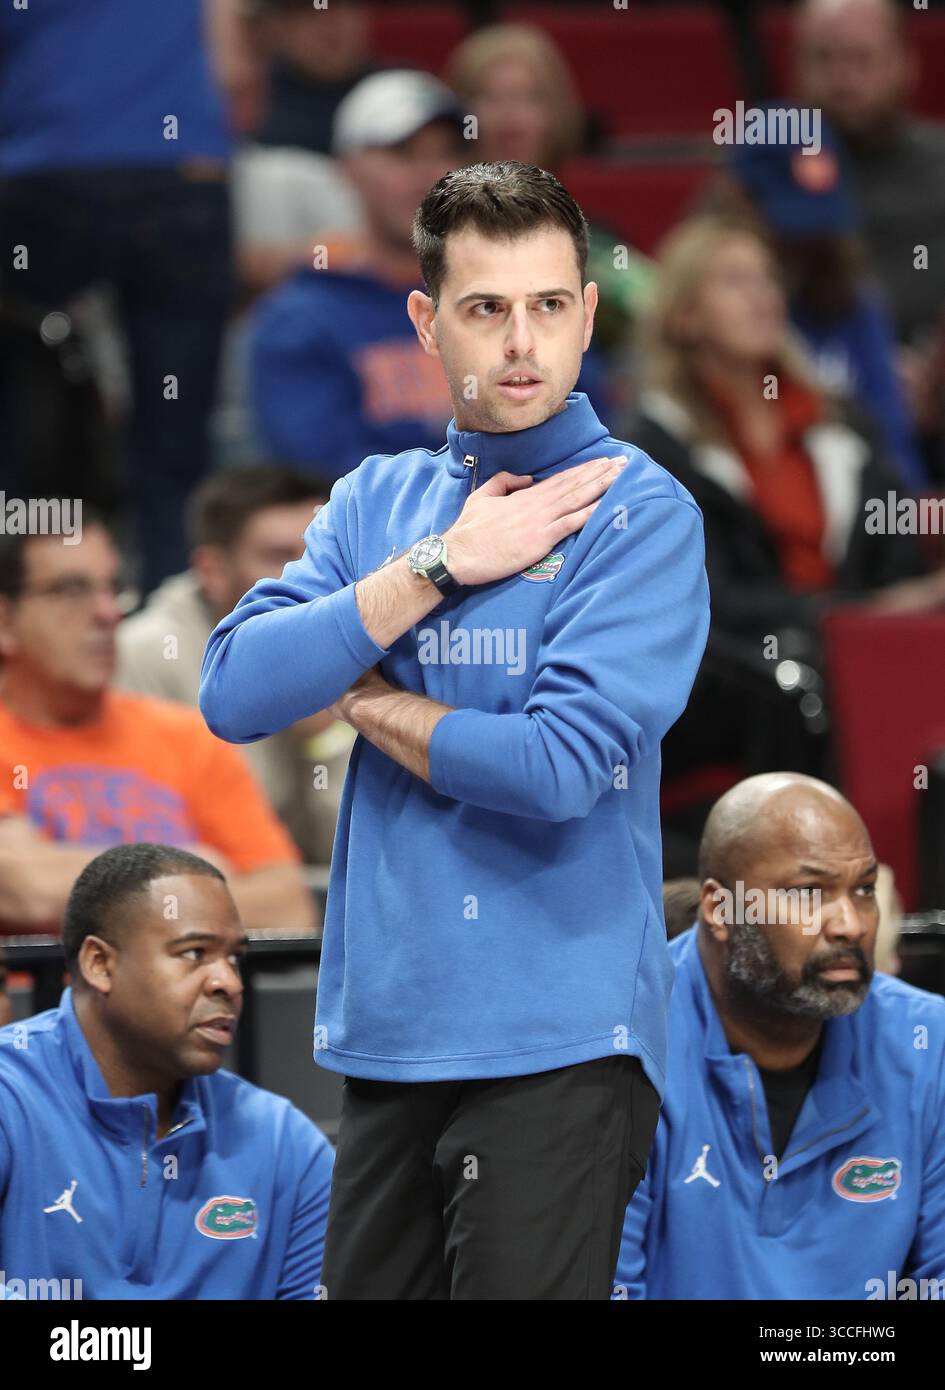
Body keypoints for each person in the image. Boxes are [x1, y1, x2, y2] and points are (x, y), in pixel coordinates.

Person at [200, 160, 710, 1300]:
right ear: (429, 322)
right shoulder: (377, 501)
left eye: (547, 305)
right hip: (386, 1038)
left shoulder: (638, 511)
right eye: (486, 309)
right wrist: (435, 567)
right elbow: (235, 689)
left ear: (586, 311)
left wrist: (371, 697)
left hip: (563, 1044)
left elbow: (559, 764)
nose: (520, 343)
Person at [615, 773, 945, 1300]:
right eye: (809, 893)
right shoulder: (623, 1047)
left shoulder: (930, 1044)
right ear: (721, 911)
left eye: (862, 890)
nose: (849, 924)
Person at [0, 843, 334, 1299]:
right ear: (100, 964)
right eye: (195, 953)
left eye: (234, 958)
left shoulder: (285, 1145)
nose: (229, 983)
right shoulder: (11, 1098)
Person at [0, 0, 254, 594]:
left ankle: (29, 616)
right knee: (176, 444)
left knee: (24, 431)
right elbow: (236, 69)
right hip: (183, 175)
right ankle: (169, 638)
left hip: (41, 177)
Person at [0, 519, 314, 935]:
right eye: (70, 591)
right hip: (39, 1000)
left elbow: (287, 907)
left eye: (112, 588)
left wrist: (67, 869)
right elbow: (26, 891)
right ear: (5, 621)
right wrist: (193, 866)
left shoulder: (188, 736)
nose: (107, 613)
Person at [117, 465, 355, 866]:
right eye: (278, 556)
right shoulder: (146, 653)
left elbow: (349, 854)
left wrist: (323, 739)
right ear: (212, 571)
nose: (307, 577)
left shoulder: (350, 636)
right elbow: (149, 852)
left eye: (318, 554)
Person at [446, 22, 654, 377]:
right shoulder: (430, 234)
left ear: (556, 115)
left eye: (531, 98)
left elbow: (663, 311)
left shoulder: (596, 244)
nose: (510, 115)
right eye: (491, 97)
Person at [795, 0, 945, 354]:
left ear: (906, 65)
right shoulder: (761, 173)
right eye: (824, 58)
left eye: (862, 58)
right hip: (799, 387)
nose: (844, 79)